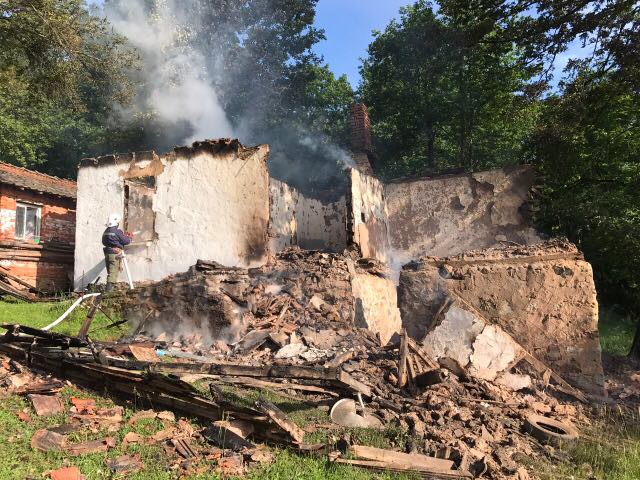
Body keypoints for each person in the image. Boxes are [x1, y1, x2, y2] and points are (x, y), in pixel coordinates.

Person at [102, 213, 132, 292]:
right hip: (114, 254)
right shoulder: (117, 231)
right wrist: (129, 237)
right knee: (113, 272)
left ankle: (110, 290)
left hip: (107, 253)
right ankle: (108, 292)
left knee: (110, 271)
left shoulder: (106, 231)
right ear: (116, 223)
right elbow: (126, 241)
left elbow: (104, 241)